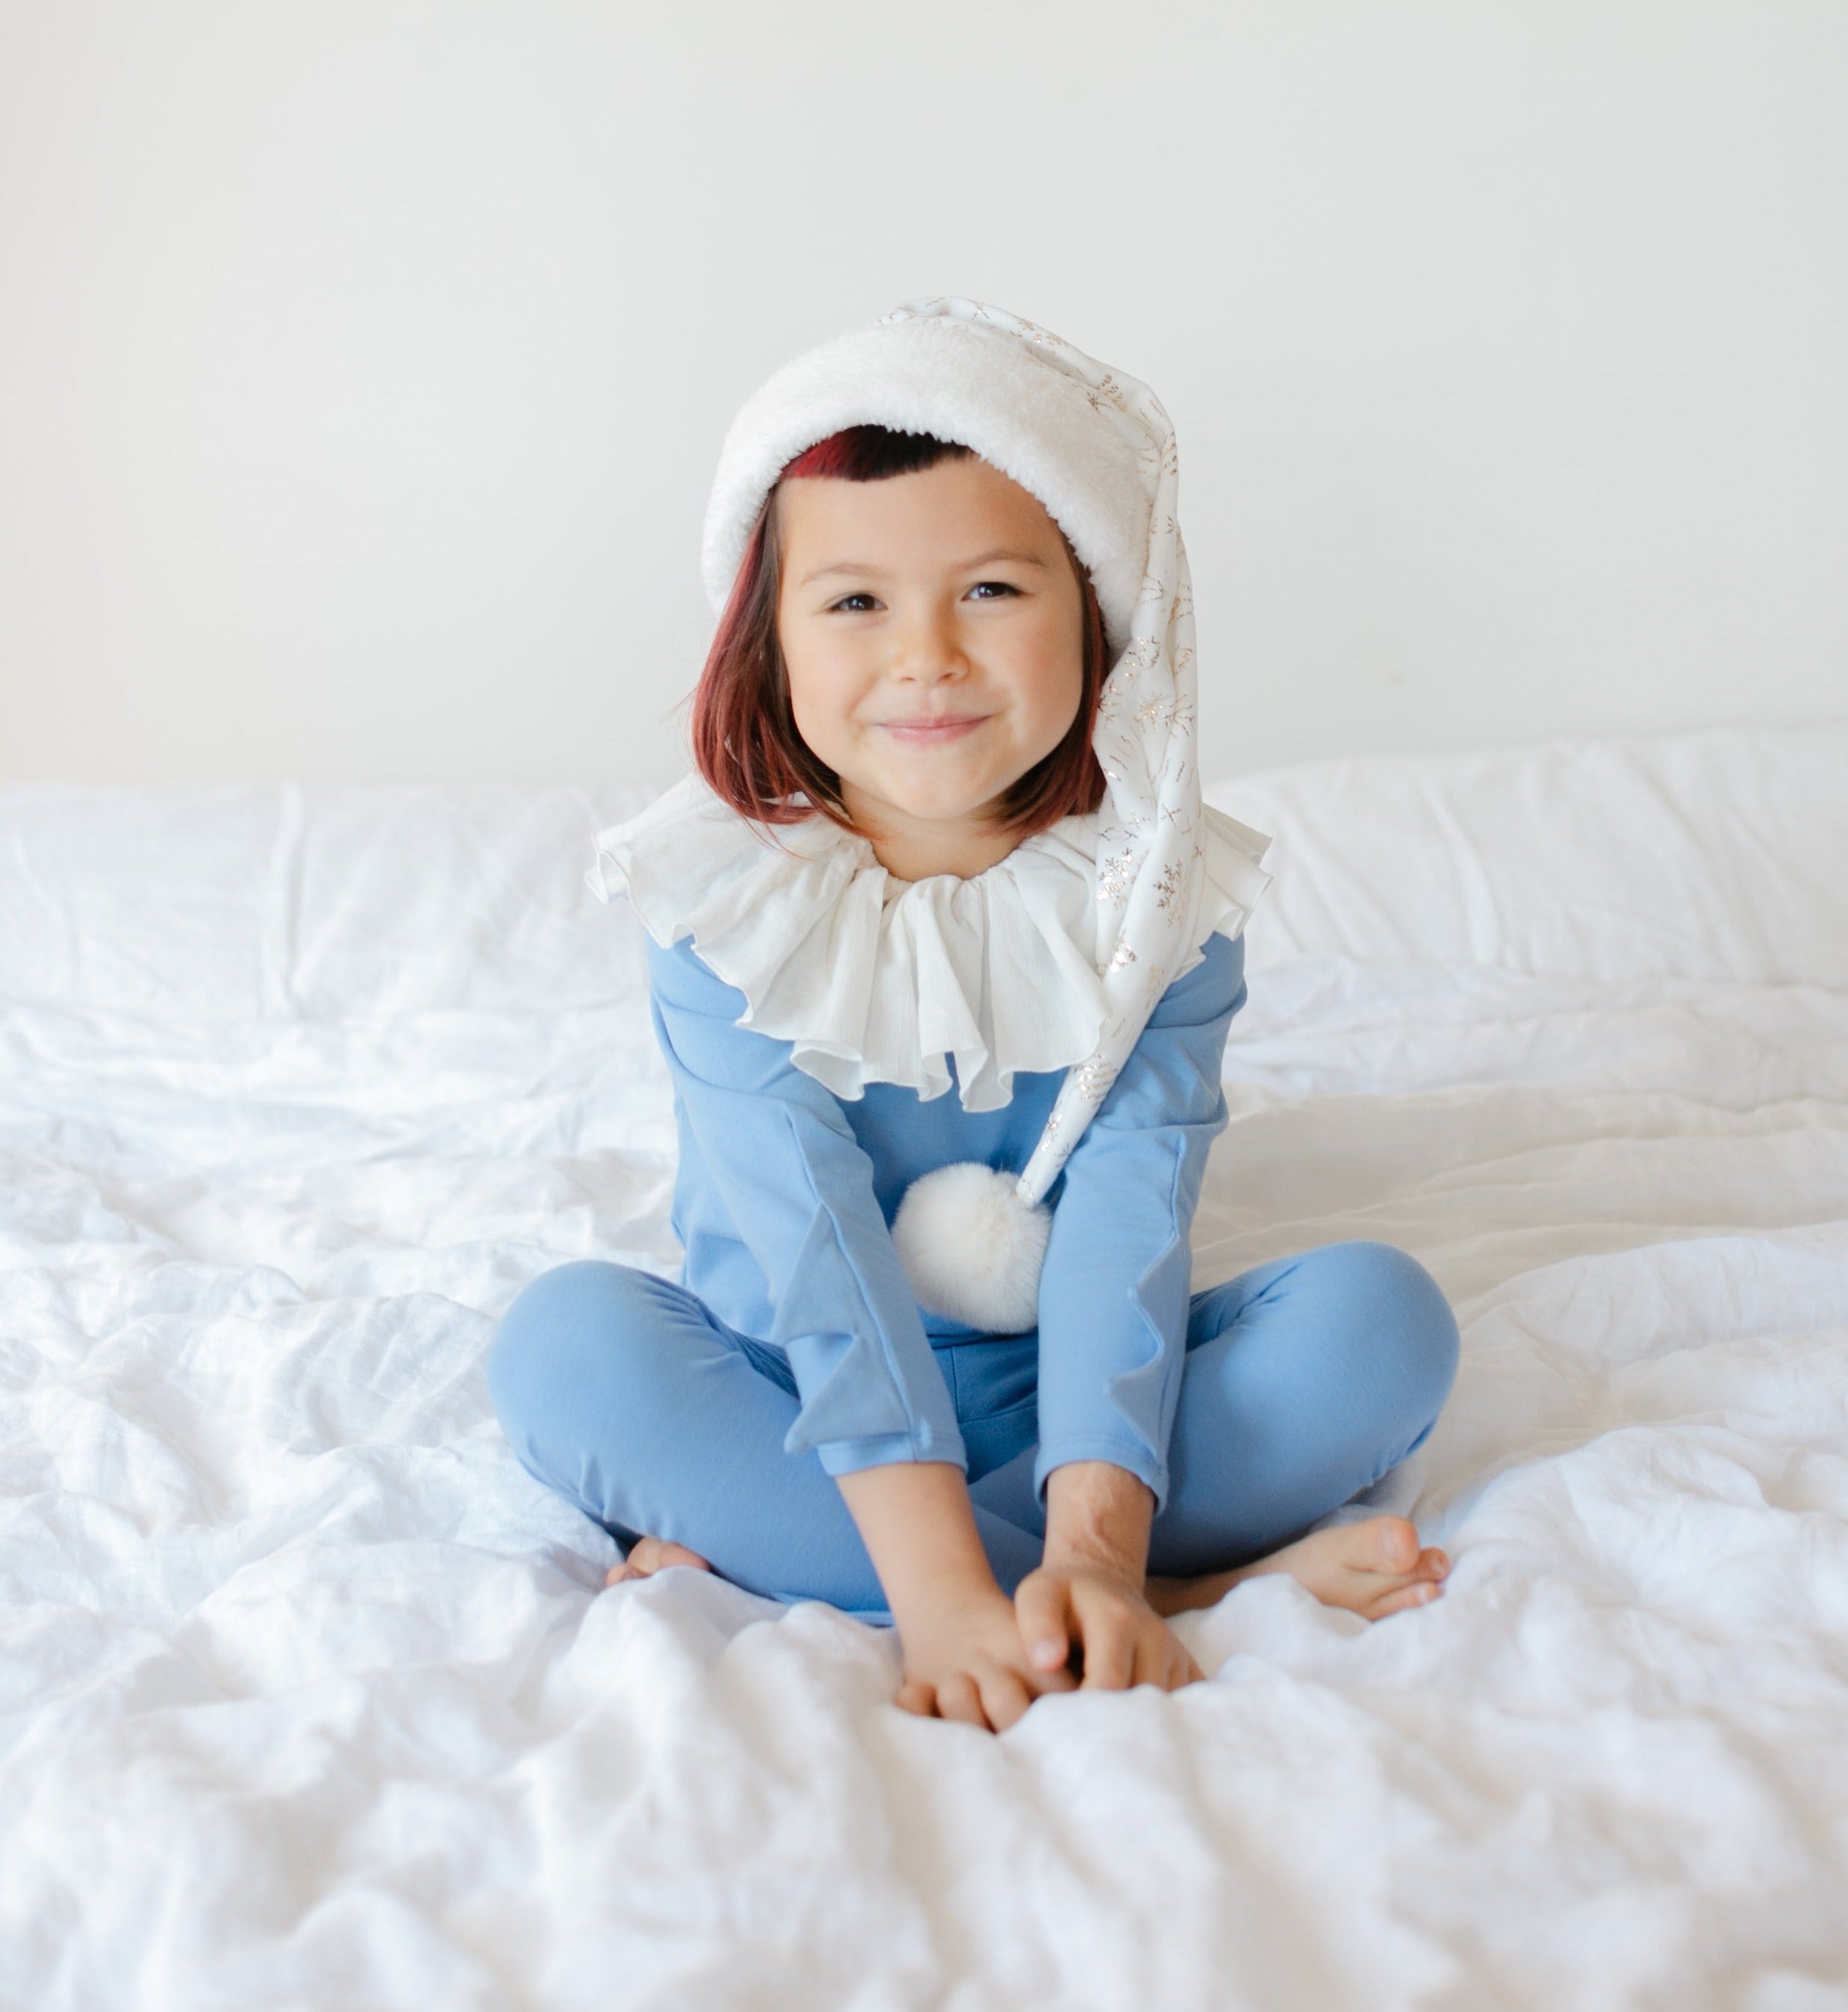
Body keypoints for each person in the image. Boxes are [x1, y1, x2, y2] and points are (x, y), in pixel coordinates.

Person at [487, 301, 1459, 1734]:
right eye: (856, 601)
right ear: (767, 641)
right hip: (796, 1395)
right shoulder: (726, 907)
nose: (927, 656)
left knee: (1384, 1322)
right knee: (564, 1352)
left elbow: (1132, 1214)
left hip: (1083, 1401)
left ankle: (973, 1579)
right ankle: (1181, 1590)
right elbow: (807, 1245)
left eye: (993, 592)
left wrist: (1095, 1550)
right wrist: (942, 1599)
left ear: (1097, 620)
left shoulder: (1152, 906)